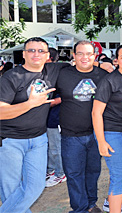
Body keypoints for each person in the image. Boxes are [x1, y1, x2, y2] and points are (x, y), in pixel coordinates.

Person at [0, 37, 68, 213]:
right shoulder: (11, 76)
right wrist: (31, 103)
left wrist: (103, 66)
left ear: (48, 55)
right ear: (24, 54)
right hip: (10, 141)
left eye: (41, 51)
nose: (36, 54)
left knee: (35, 187)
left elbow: (82, 68)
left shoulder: (54, 70)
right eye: (31, 50)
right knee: (11, 192)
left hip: (38, 139)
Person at [56, 41, 109, 213]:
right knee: (74, 174)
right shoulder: (62, 74)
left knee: (93, 172)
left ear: (94, 56)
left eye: (89, 54)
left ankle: (91, 204)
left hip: (95, 134)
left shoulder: (103, 75)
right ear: (74, 55)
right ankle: (79, 209)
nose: (85, 57)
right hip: (71, 136)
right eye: (80, 53)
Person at [92, 44, 122, 213]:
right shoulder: (109, 81)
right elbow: (96, 113)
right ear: (116, 60)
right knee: (120, 176)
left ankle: (110, 202)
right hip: (110, 132)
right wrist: (101, 141)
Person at [45, 48, 67, 188]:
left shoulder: (59, 72)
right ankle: (51, 170)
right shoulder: (44, 73)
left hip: (55, 117)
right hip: (46, 118)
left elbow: (63, 96)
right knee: (50, 146)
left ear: (49, 57)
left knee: (56, 147)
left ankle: (60, 174)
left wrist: (47, 103)